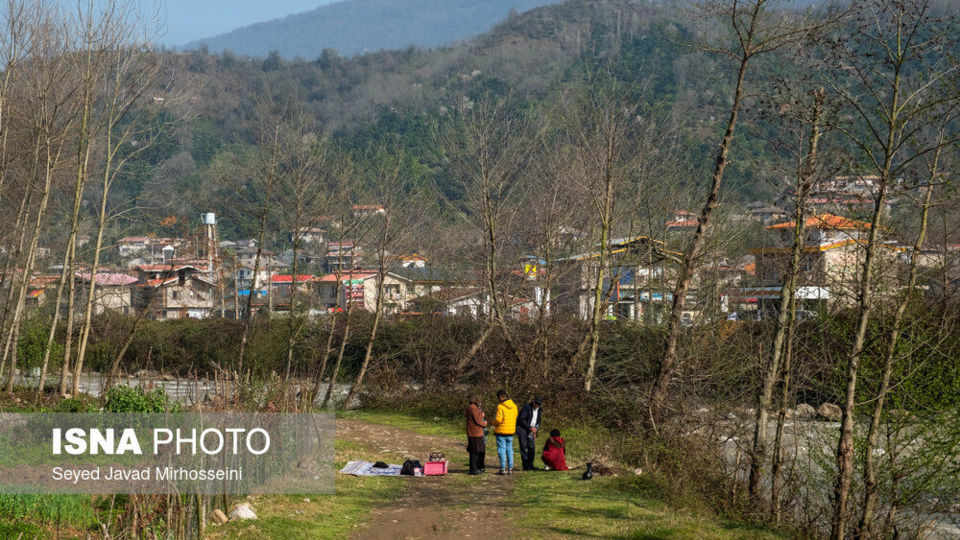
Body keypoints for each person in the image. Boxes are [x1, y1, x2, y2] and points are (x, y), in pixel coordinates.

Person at [491, 389, 518, 475]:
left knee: (502, 450)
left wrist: (493, 422)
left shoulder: (500, 406)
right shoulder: (514, 406)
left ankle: (503, 469)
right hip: (511, 431)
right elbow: (516, 416)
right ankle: (510, 469)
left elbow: (498, 420)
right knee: (509, 450)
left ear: (501, 397)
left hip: (501, 432)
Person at [516, 396, 543, 470]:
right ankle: (525, 465)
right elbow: (521, 420)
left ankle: (531, 465)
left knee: (531, 447)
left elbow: (538, 422)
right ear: (533, 402)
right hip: (523, 429)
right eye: (536, 403)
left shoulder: (539, 410)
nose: (537, 405)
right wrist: (530, 427)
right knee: (523, 447)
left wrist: (535, 432)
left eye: (538, 404)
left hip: (532, 431)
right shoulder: (526, 408)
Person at [465, 395, 488, 475]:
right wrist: (485, 423)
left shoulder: (470, 407)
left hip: (473, 432)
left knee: (474, 451)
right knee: (475, 451)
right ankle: (474, 469)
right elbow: (478, 421)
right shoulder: (474, 408)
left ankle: (475, 468)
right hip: (475, 433)